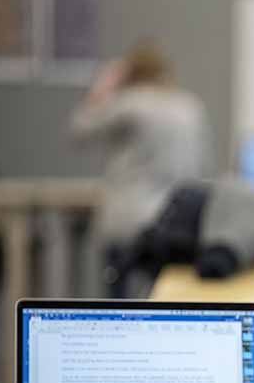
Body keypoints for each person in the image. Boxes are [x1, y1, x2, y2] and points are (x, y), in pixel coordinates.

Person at [71, 41, 215, 275]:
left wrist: (104, 86)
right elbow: (204, 165)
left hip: (130, 223)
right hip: (178, 225)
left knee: (123, 306)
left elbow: (80, 128)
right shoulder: (190, 107)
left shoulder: (131, 104)